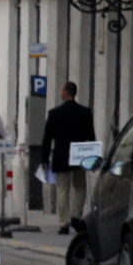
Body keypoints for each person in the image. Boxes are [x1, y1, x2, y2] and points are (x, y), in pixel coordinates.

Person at [41, 81, 96, 235]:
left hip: (61, 155)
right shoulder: (85, 112)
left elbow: (47, 138)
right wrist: (92, 157)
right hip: (80, 156)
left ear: (64, 93)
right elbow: (91, 137)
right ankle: (76, 216)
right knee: (80, 187)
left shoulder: (54, 113)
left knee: (62, 189)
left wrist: (44, 159)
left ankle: (63, 223)